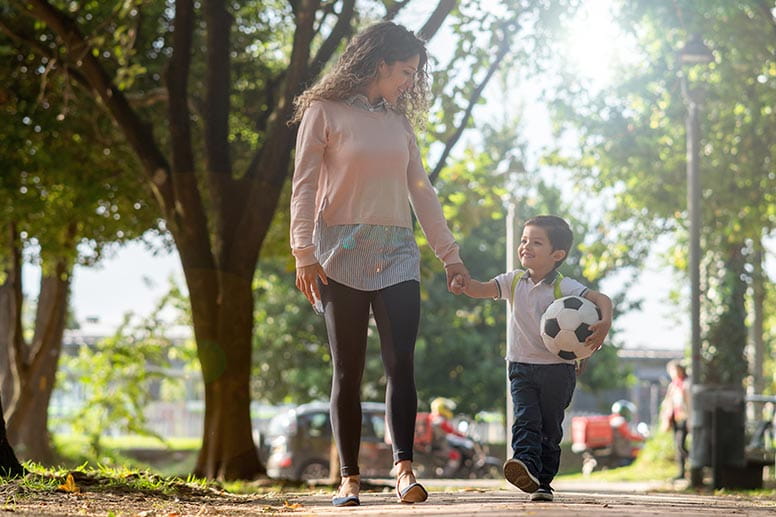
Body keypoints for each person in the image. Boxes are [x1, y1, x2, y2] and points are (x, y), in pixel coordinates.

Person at [289, 21, 470, 507]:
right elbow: (304, 185)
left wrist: (449, 256)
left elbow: (421, 192)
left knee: (400, 363)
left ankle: (404, 470)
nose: (410, 82)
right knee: (347, 370)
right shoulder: (323, 112)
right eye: (405, 71)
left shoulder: (398, 123)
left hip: (396, 252)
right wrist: (303, 252)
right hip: (338, 252)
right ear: (380, 63)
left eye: (415, 73)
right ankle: (348, 479)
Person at [453, 215, 612, 502]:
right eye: (524, 240)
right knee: (526, 418)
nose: (526, 246)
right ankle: (524, 463)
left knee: (550, 428)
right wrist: (464, 282)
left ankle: (543, 482)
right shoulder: (513, 281)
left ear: (557, 255)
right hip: (521, 365)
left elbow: (602, 299)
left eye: (536, 242)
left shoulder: (566, 288)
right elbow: (481, 289)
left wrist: (605, 322)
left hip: (558, 370)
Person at [660, 360, 690, 480]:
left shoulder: (687, 383)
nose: (673, 373)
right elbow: (668, 402)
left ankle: (694, 465)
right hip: (675, 418)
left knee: (681, 445)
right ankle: (682, 472)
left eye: (674, 370)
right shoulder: (673, 385)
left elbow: (688, 402)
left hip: (686, 417)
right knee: (678, 445)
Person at [609, 400, 645, 466]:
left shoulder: (612, 419)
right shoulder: (619, 421)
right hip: (622, 450)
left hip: (617, 448)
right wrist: (642, 438)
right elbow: (628, 435)